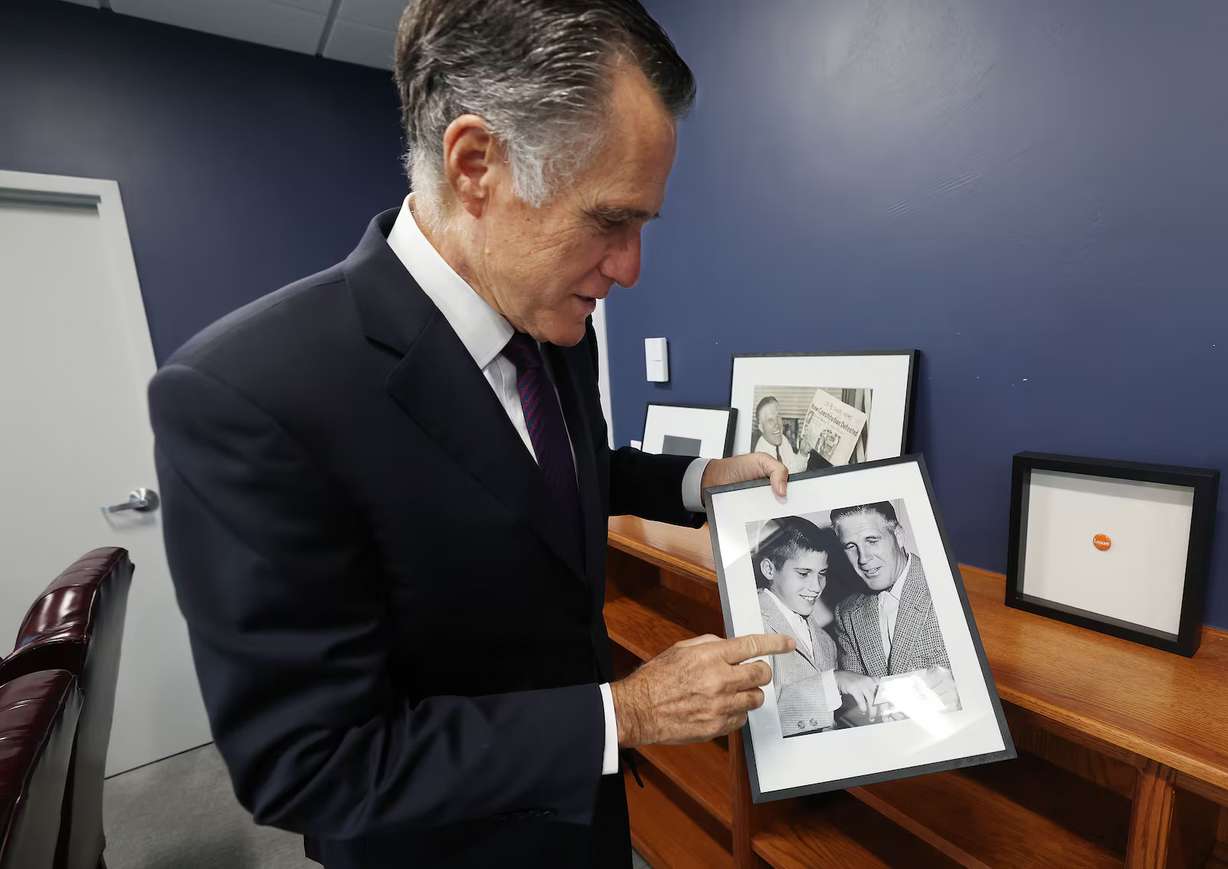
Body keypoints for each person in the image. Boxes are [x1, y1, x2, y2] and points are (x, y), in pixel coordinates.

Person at [146, 2, 792, 867]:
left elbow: (552, 477)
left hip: (588, 822)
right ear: (477, 165)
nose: (632, 267)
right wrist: (624, 713)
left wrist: (695, 480)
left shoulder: (556, 320)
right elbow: (308, 761)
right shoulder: (247, 395)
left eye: (645, 225)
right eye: (609, 221)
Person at [830, 502, 959, 719]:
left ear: (899, 535)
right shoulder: (846, 613)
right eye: (850, 546)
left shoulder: (949, 588)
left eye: (872, 540)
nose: (863, 558)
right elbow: (855, 709)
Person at [754, 517, 841, 737]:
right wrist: (834, 684)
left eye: (822, 574)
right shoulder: (752, 623)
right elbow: (755, 716)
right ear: (769, 569)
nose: (816, 587)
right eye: (803, 573)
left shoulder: (826, 641)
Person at [751, 396, 808, 473]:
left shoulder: (782, 439)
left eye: (777, 416)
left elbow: (794, 468)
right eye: (770, 420)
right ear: (761, 428)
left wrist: (803, 453)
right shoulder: (760, 460)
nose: (777, 424)